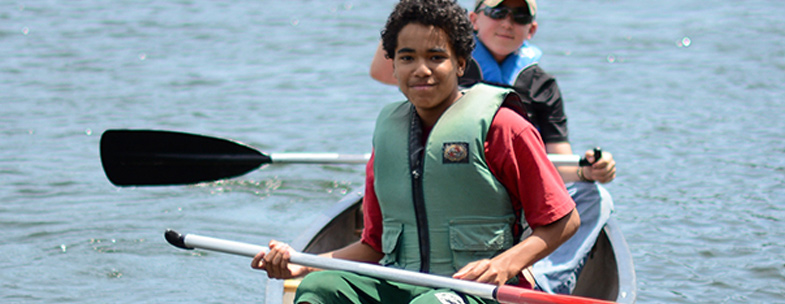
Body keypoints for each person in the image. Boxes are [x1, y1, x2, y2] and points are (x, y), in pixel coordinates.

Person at [252, 0, 580, 303]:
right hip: (402, 283)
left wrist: (505, 265)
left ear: (461, 63)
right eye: (407, 58)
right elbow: (374, 246)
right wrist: (301, 264)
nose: (421, 69)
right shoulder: (388, 134)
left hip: (480, 292)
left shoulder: (504, 126)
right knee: (319, 288)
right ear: (392, 66)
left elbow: (564, 220)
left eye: (436, 57)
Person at [370, 0, 616, 294]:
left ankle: (547, 282)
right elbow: (386, 65)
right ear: (475, 20)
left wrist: (587, 172)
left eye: (520, 16)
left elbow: (559, 166)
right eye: (498, 12)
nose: (508, 23)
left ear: (532, 29)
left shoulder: (539, 88)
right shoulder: (433, 66)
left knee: (595, 196)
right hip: (438, 190)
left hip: (510, 191)